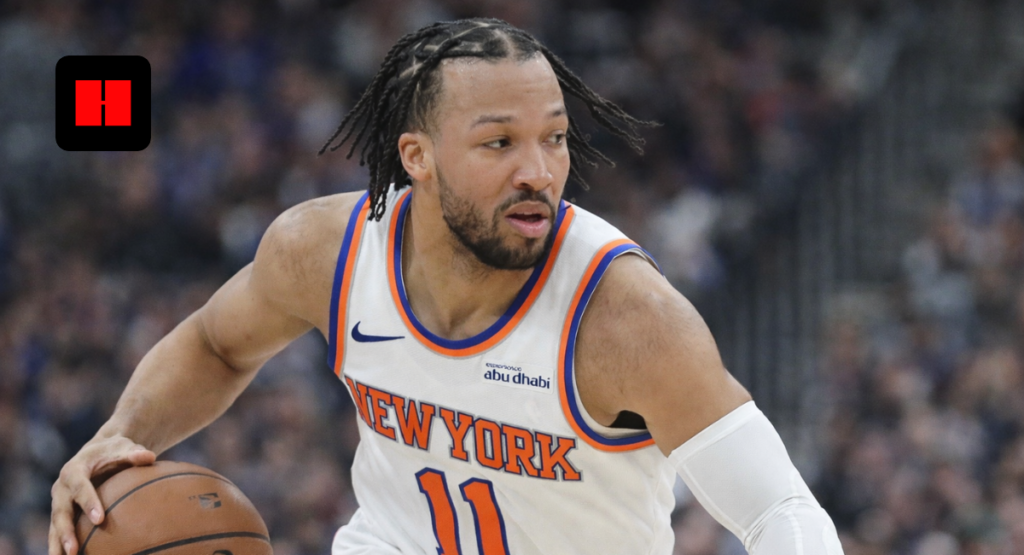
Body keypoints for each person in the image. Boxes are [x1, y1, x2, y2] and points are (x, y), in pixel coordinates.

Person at [50, 18, 844, 555]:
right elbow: (216, 344)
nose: (539, 171)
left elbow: (779, 509)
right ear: (417, 157)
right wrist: (119, 433)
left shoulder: (625, 317)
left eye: (555, 138)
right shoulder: (326, 252)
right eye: (500, 142)